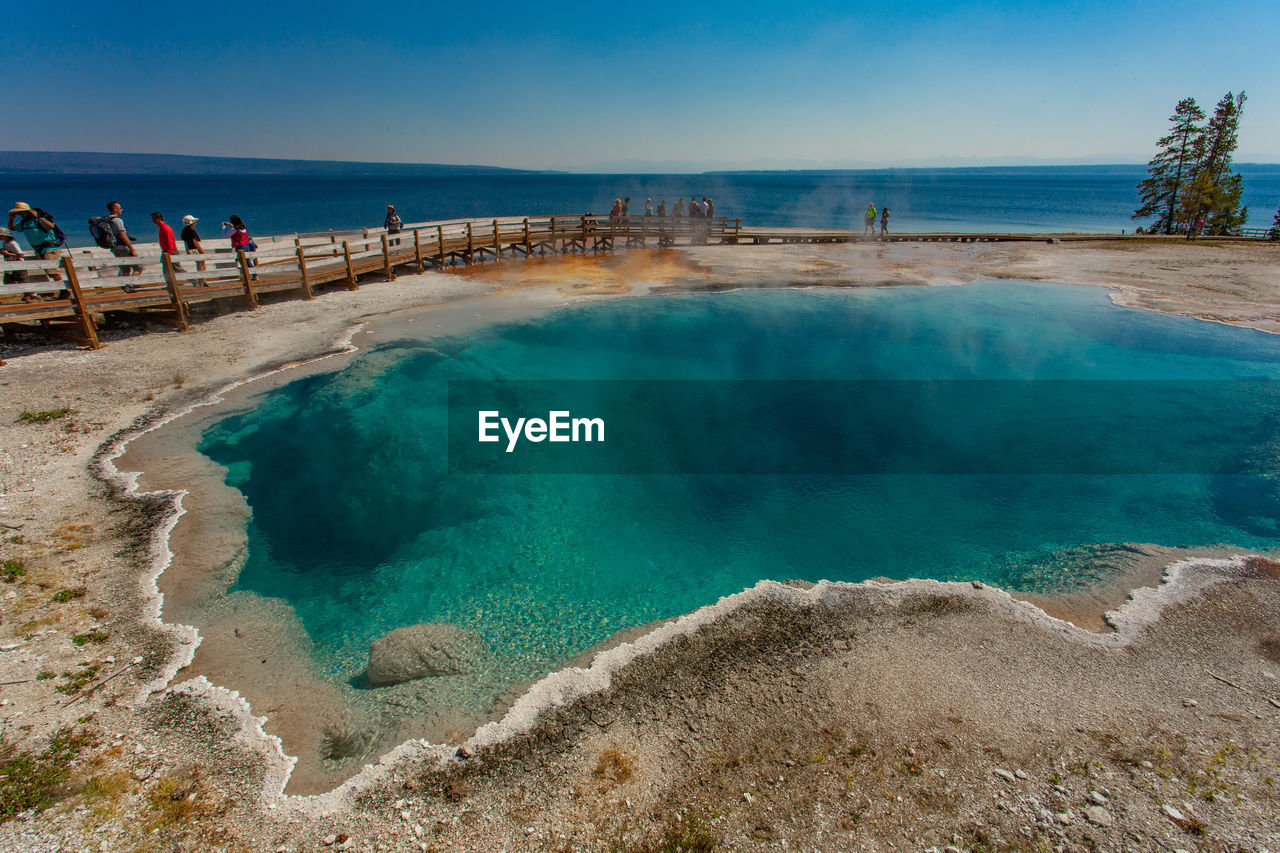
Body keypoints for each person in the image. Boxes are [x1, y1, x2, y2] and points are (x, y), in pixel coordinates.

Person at [8, 202, 63, 283]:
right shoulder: (24, 222)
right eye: (19, 213)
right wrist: (11, 218)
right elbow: (12, 228)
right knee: (48, 272)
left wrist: (39, 217)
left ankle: (66, 291)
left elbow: (51, 226)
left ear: (28, 211)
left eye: (22, 212)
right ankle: (60, 290)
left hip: (50, 248)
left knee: (52, 272)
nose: (21, 215)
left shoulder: (38, 219)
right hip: (38, 249)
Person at [105, 201, 141, 278]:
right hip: (122, 248)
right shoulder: (117, 220)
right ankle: (130, 285)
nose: (122, 209)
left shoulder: (107, 220)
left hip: (114, 248)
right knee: (138, 268)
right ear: (115, 209)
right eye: (120, 208)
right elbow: (123, 235)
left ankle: (125, 286)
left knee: (126, 270)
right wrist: (132, 249)